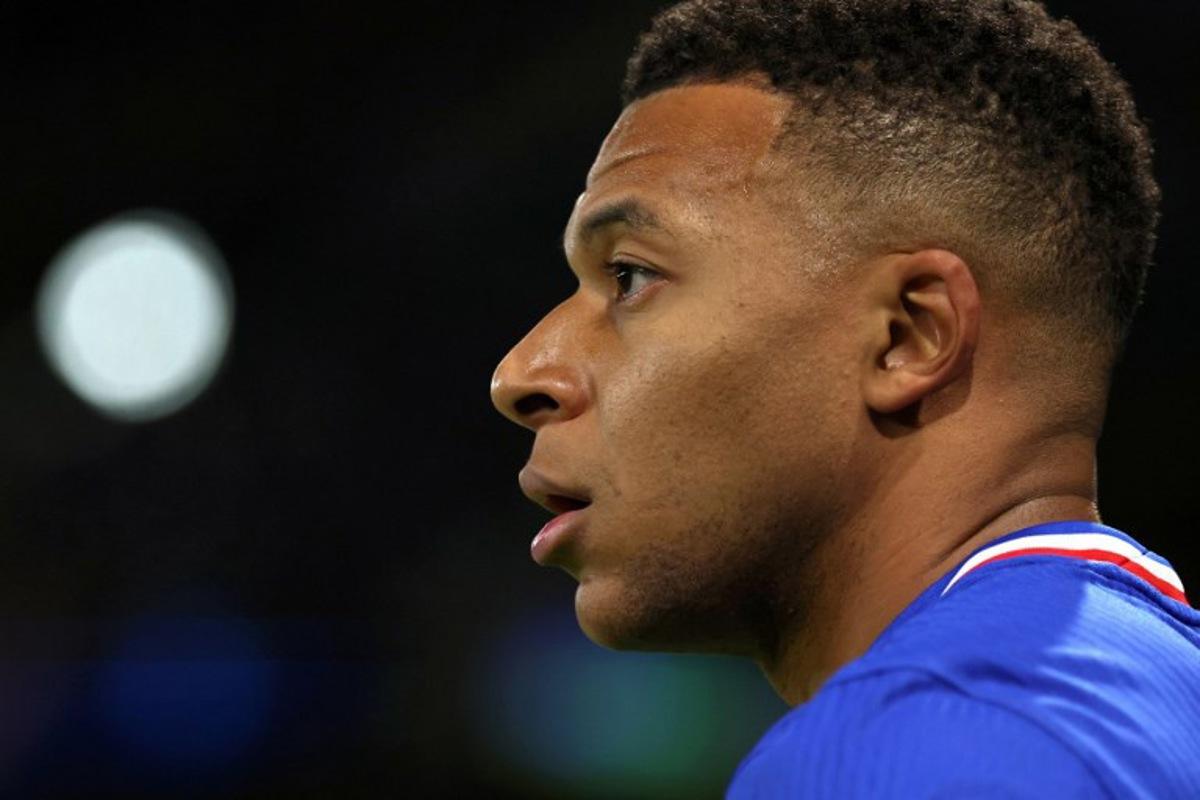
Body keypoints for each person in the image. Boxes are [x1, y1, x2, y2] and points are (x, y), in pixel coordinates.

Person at [489, 0, 1200, 795]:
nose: (521, 374)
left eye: (630, 276)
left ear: (908, 336)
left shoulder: (909, 749)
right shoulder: (1150, 689)